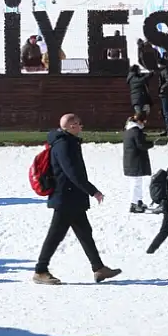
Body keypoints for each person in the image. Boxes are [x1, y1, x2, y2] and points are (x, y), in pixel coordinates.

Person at [33, 114, 121, 285]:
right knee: (55, 235)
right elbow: (72, 173)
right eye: (80, 124)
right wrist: (93, 191)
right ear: (72, 126)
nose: (82, 126)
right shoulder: (63, 145)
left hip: (72, 197)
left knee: (85, 233)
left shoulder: (67, 142)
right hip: (65, 197)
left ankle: (99, 268)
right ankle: (40, 271)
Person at [122, 113, 154, 214]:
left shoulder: (129, 130)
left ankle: (138, 201)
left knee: (137, 183)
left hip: (131, 161)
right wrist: (151, 143)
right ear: (140, 121)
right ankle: (134, 204)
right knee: (136, 184)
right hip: (135, 161)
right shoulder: (136, 131)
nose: (145, 123)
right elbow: (141, 145)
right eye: (144, 121)